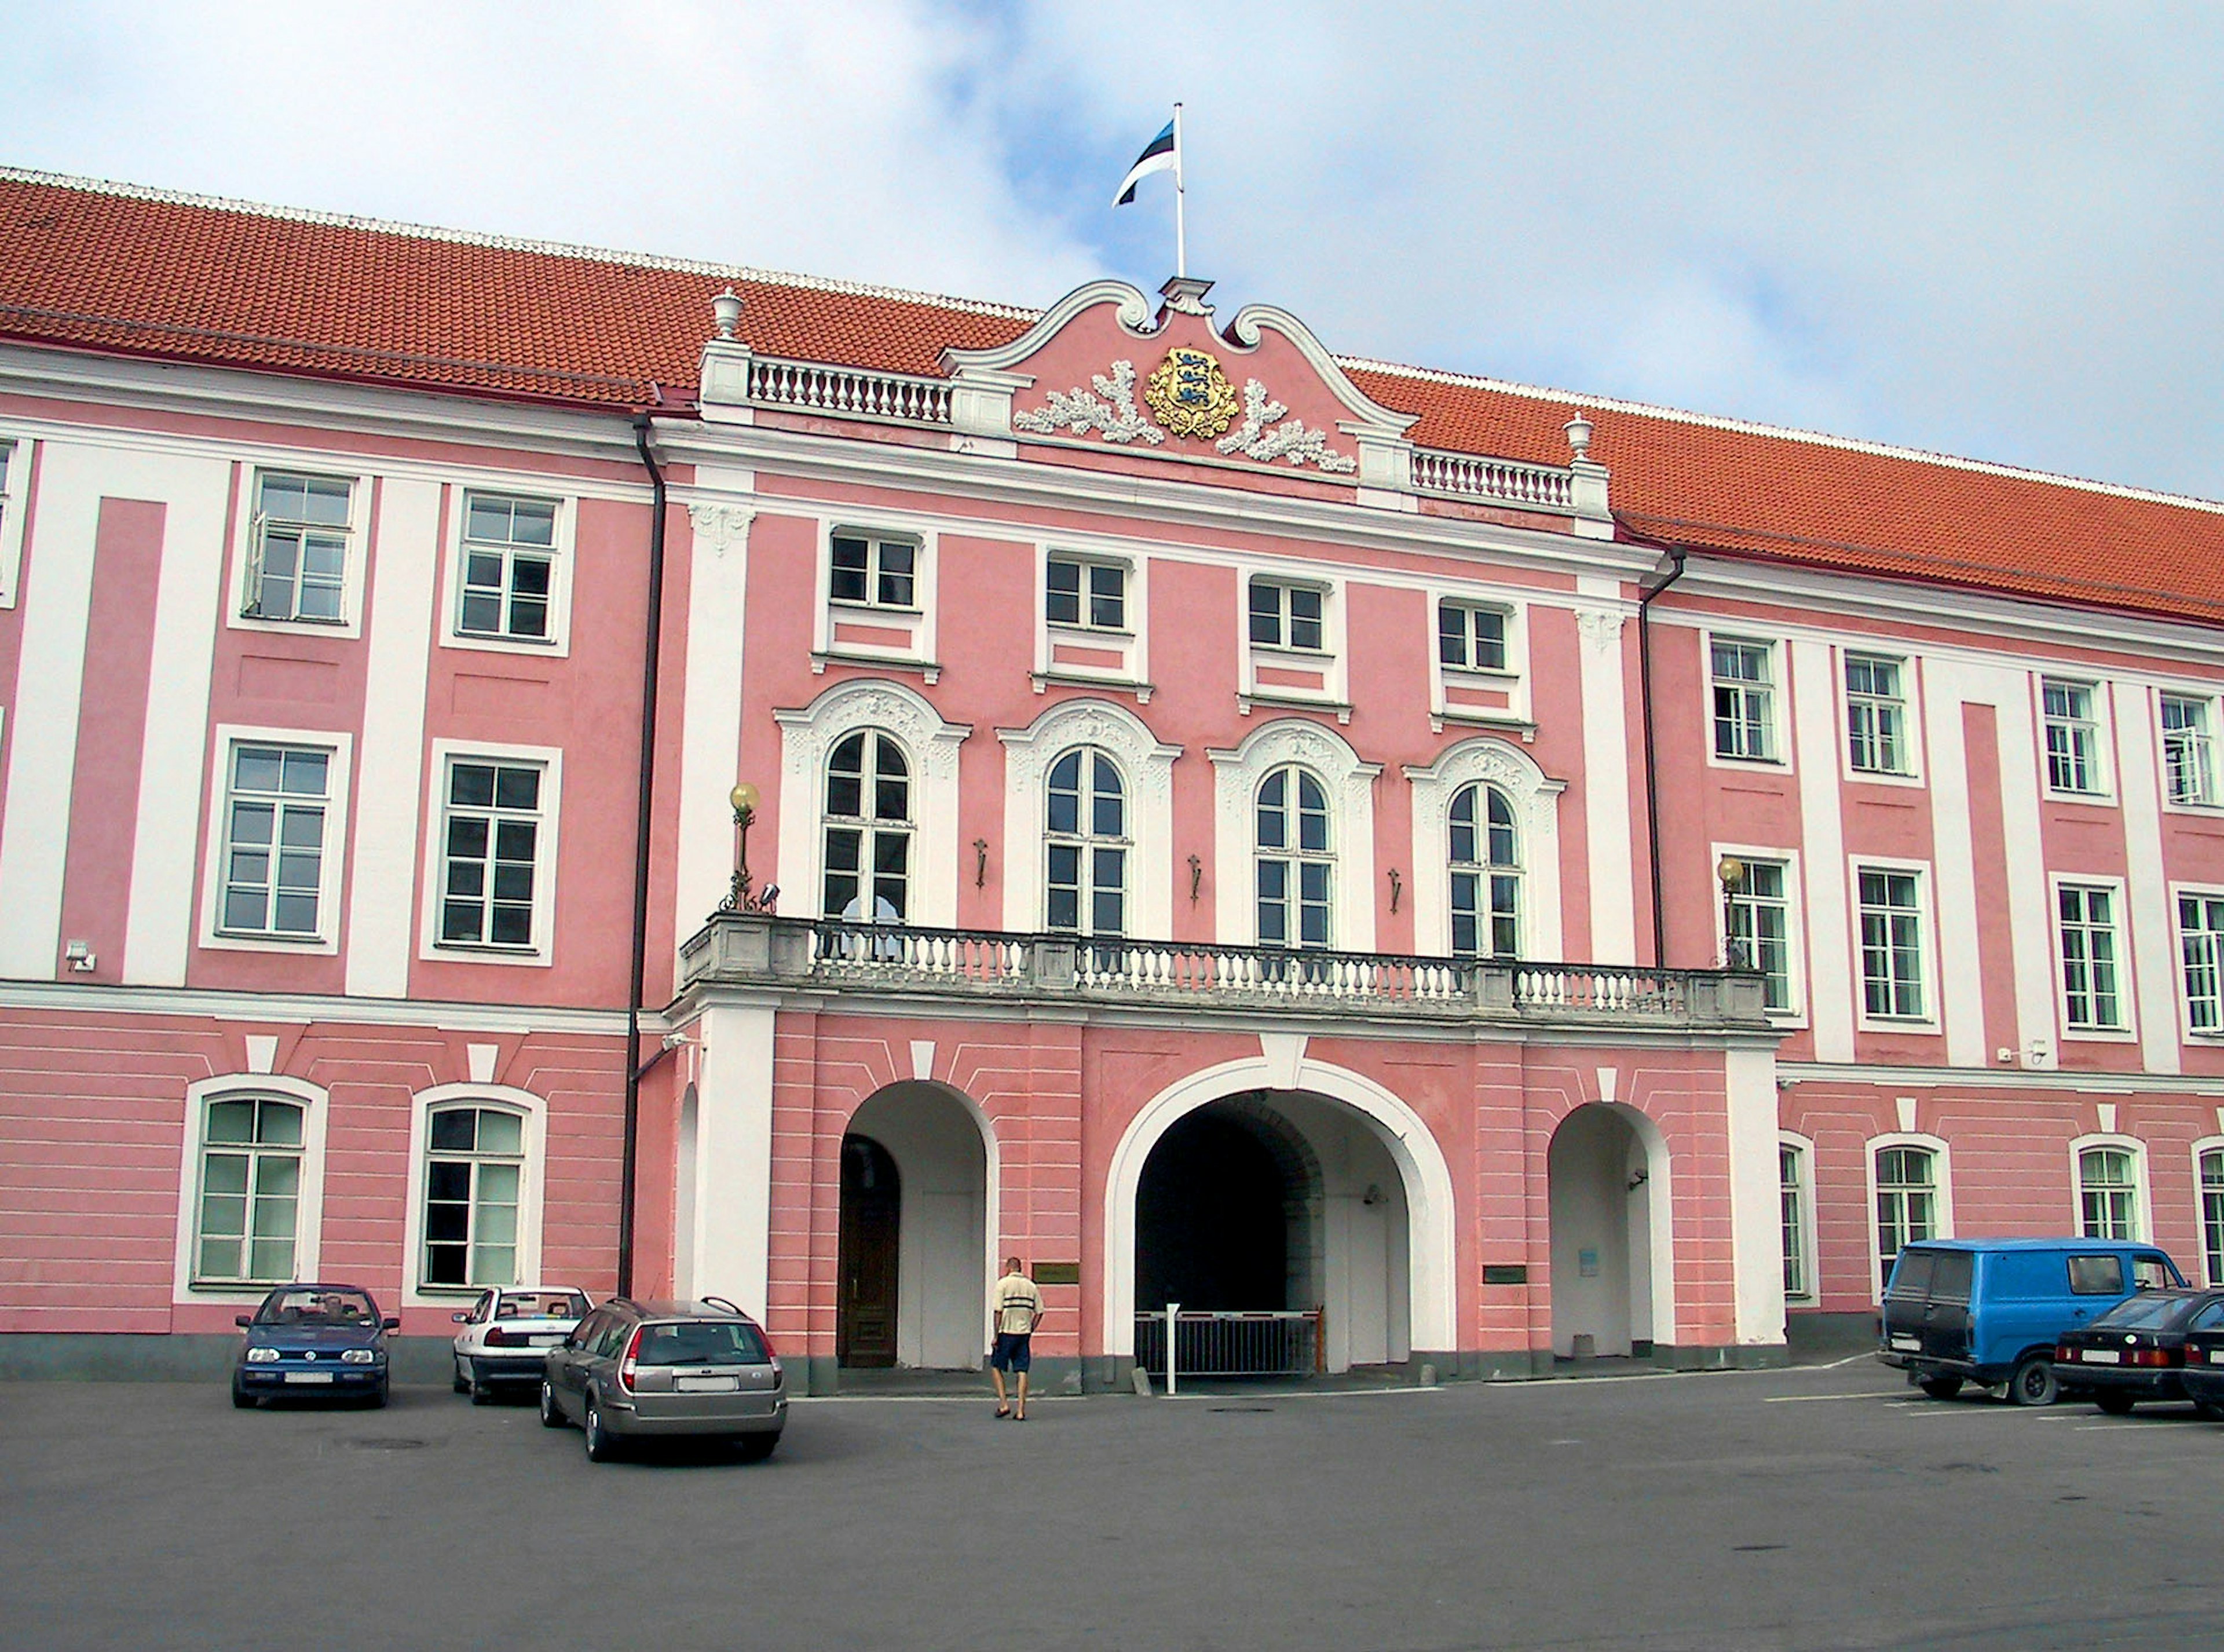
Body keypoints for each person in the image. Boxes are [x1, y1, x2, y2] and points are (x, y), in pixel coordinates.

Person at [987, 1256, 1044, 1420]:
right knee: (1022, 1370)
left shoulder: (1003, 1284)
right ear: (1020, 1269)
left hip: (1006, 1332)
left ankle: (1004, 1403)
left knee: (996, 1366)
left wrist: (996, 1335)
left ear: (1008, 1268)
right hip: (1024, 1334)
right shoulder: (1031, 1286)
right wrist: (1031, 1328)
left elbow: (998, 1311)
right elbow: (1040, 1311)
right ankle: (1020, 1410)